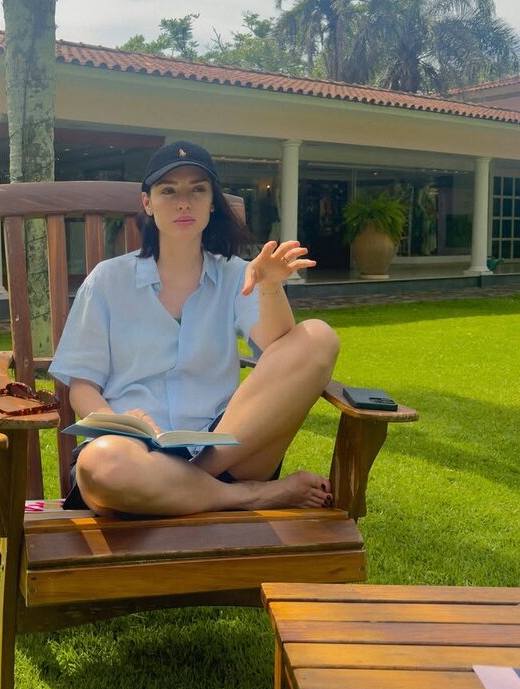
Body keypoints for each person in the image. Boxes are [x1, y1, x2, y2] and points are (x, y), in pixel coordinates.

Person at [49, 141, 340, 517]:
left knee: (318, 337)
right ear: (148, 203)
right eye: (169, 191)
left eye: (197, 190)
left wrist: (269, 286)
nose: (184, 203)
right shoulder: (107, 280)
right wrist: (119, 423)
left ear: (212, 202)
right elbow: (83, 387)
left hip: (225, 451)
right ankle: (251, 496)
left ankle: (187, 482)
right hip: (133, 453)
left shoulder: (237, 274)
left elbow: (281, 349)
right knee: (102, 465)